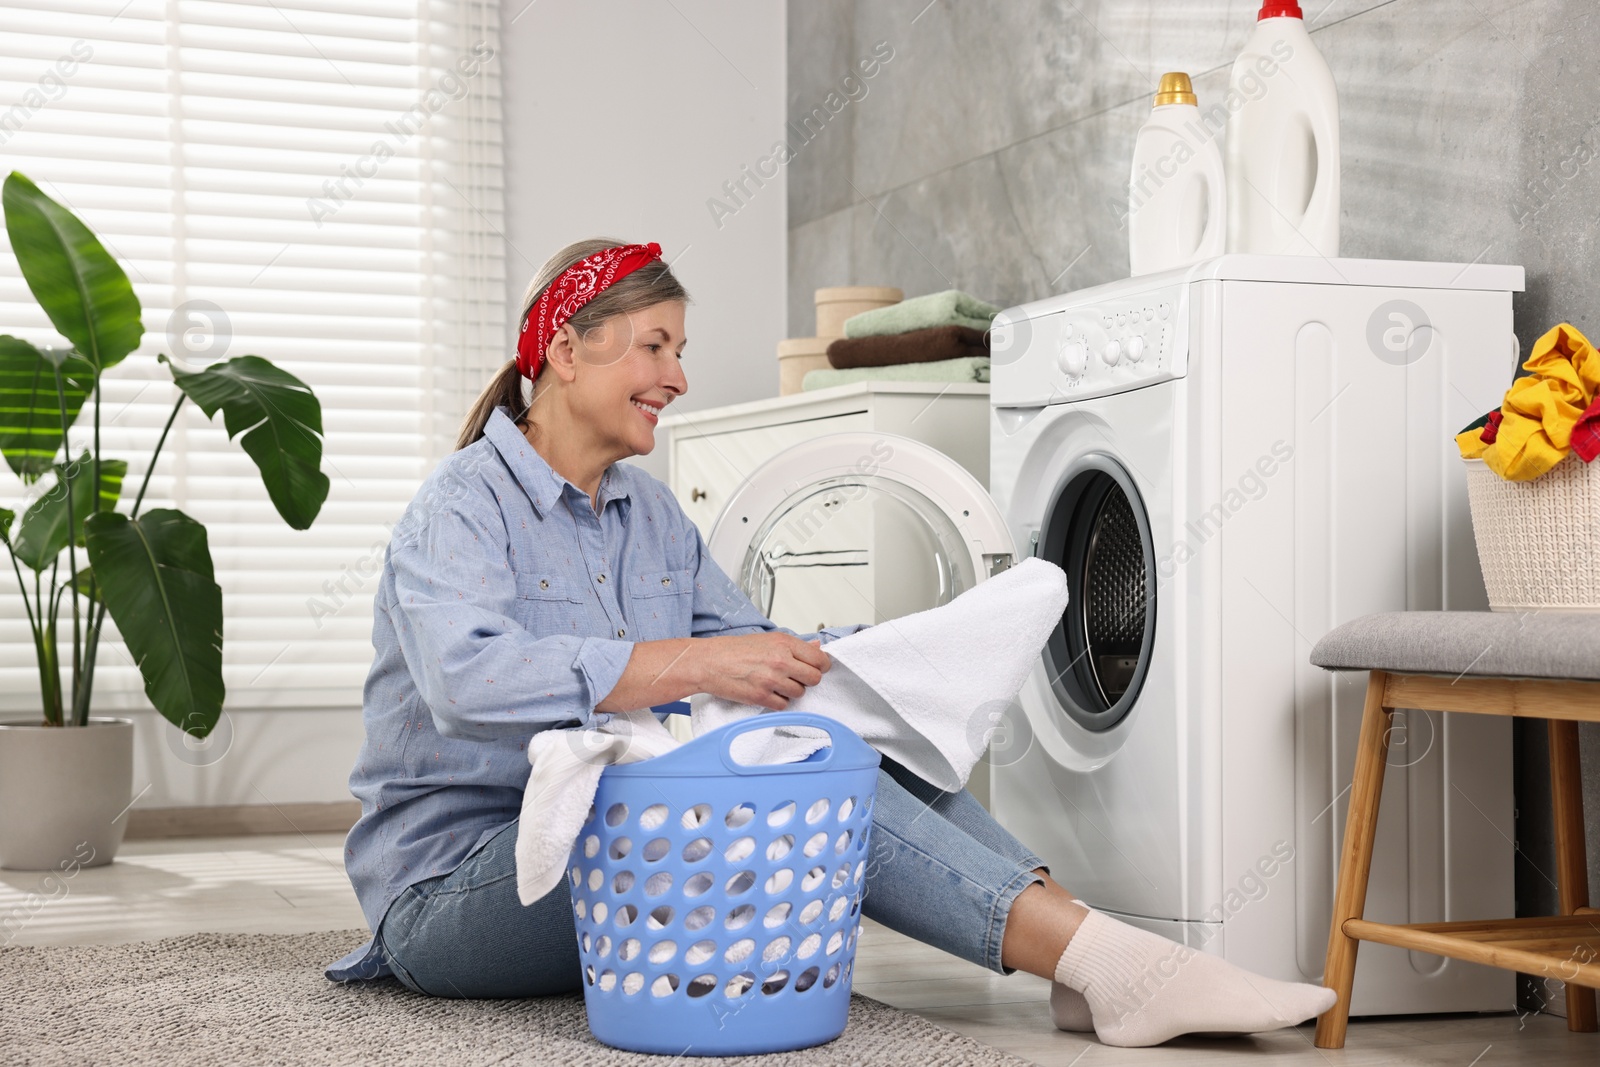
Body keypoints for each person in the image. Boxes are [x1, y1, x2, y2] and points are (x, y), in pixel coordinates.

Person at [325, 238, 1336, 1048]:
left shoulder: (651, 516)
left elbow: (752, 657)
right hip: (459, 891)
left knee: (833, 739)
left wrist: (868, 663)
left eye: (679, 348)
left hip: (622, 865)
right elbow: (469, 681)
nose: (678, 375)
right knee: (771, 794)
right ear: (565, 348)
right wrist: (697, 665)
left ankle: (1083, 954)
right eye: (654, 346)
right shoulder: (458, 507)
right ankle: (1111, 965)